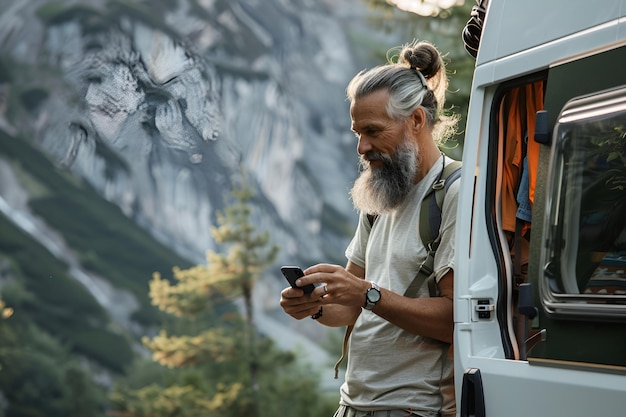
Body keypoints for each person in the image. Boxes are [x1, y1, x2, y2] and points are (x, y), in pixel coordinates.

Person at [279, 39, 460, 417]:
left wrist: (367, 293)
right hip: (353, 405)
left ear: (416, 121)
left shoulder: (456, 193)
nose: (362, 147)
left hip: (412, 408)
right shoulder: (382, 194)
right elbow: (349, 308)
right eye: (357, 133)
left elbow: (455, 320)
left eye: (373, 131)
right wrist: (312, 307)